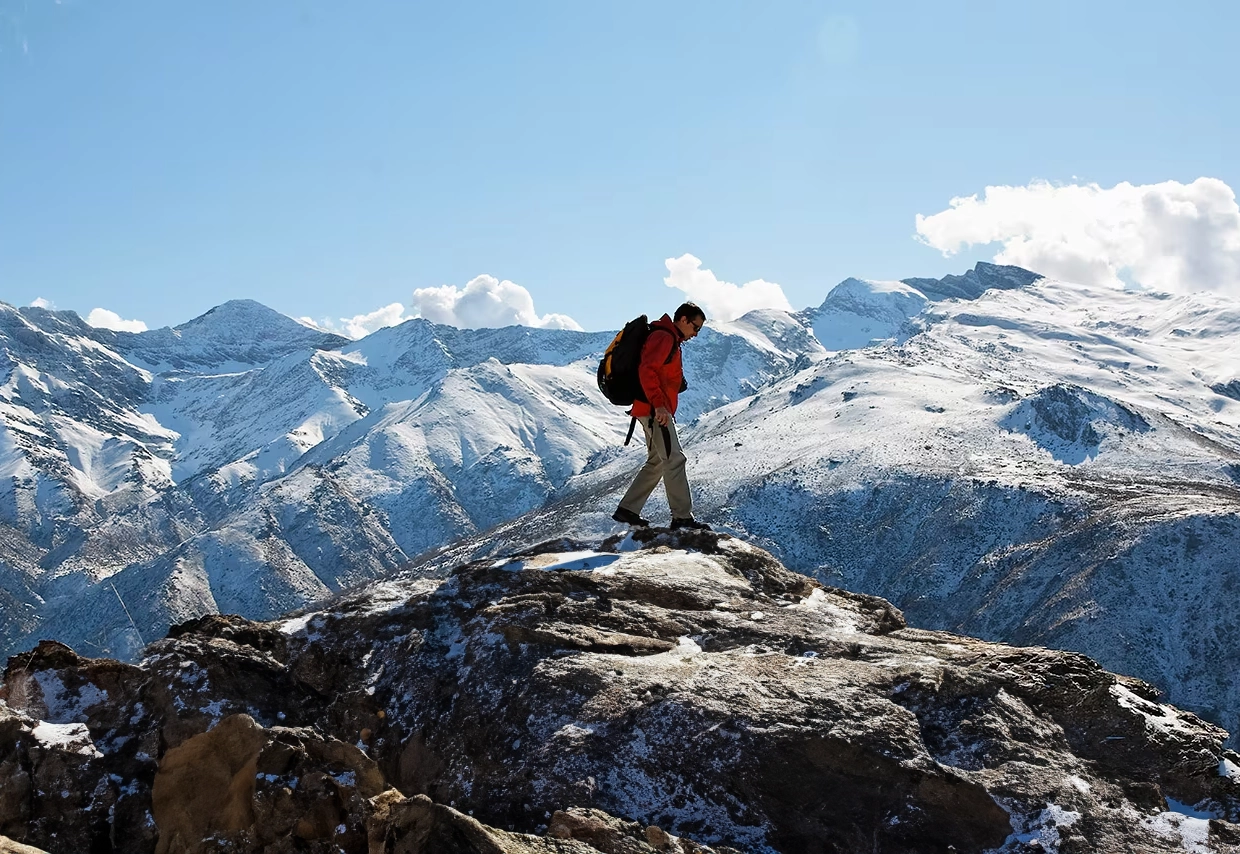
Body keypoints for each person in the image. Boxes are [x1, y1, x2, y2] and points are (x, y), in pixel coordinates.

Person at [612, 302, 711, 530]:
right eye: (695, 328)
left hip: (649, 409)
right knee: (675, 459)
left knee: (657, 460)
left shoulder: (669, 337)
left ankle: (627, 510)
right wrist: (659, 406)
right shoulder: (665, 337)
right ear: (684, 320)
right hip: (654, 411)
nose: (695, 334)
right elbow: (647, 370)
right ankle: (682, 518)